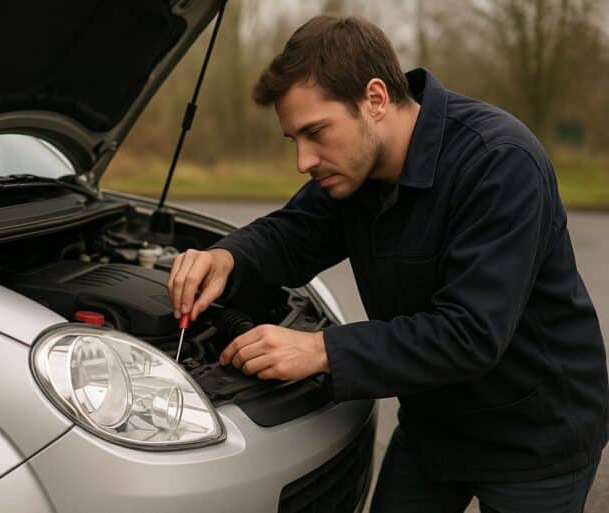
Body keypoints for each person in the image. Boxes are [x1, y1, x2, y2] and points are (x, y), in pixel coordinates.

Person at [166, 14, 608, 513]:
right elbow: (290, 235)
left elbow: (471, 333)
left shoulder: (499, 162)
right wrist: (227, 257)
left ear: (374, 99)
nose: (304, 162)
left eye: (316, 132)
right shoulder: (354, 168)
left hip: (537, 434)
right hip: (434, 423)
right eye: (295, 140)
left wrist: (320, 349)